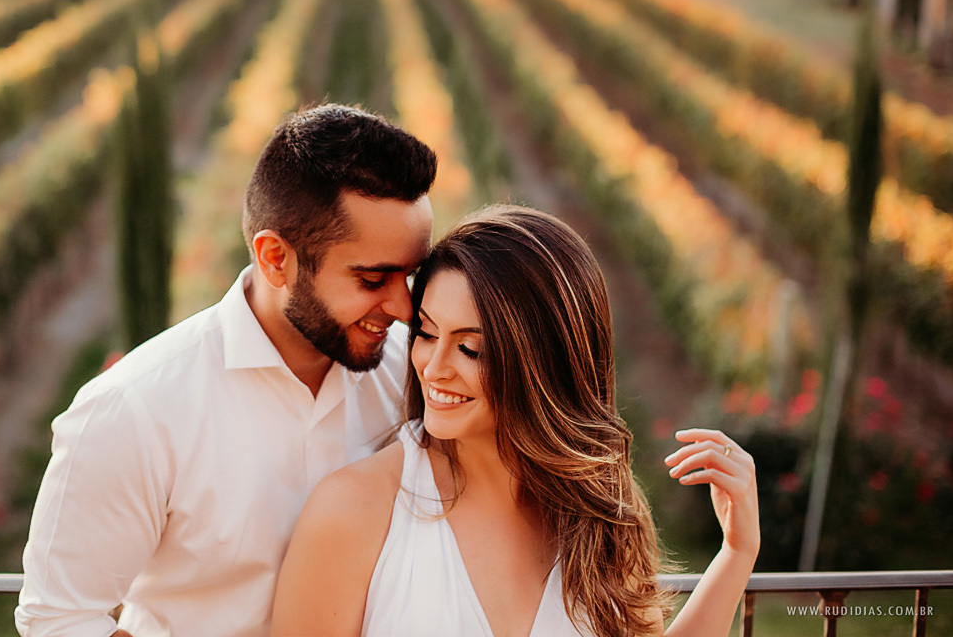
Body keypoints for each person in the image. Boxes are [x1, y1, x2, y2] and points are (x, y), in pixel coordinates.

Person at [15, 104, 438, 637]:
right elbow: (58, 619)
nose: (404, 308)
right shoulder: (134, 410)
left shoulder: (419, 371)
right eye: (373, 280)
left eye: (411, 276)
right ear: (275, 258)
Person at [271, 205, 760, 637]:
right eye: (426, 333)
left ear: (544, 361)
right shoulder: (353, 512)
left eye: (470, 348)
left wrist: (737, 553)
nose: (434, 368)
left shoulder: (601, 513)